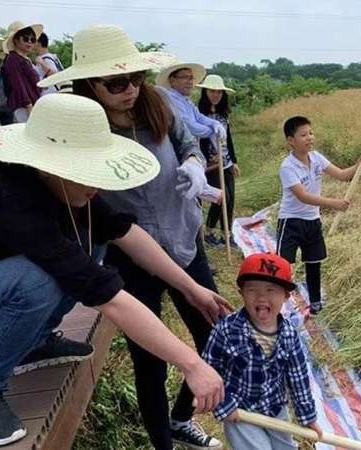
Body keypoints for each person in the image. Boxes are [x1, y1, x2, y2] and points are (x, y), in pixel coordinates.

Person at [0, 94, 230, 448]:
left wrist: (191, 288)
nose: (96, 182)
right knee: (37, 278)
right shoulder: (9, 197)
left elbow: (123, 231)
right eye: (88, 169)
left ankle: (33, 342)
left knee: (92, 240)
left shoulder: (57, 178)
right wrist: (191, 364)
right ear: (52, 161)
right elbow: (107, 298)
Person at [40, 25, 225, 450]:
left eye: (137, 78)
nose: (131, 91)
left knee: (215, 339)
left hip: (182, 238)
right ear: (88, 85)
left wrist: (195, 166)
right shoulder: (81, 125)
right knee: (150, 362)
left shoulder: (157, 104)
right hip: (131, 254)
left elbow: (187, 144)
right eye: (117, 83)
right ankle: (162, 442)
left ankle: (181, 420)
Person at [203, 252, 323, 449]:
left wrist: (308, 418)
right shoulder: (226, 330)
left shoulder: (289, 336)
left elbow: (298, 379)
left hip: (275, 408)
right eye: (252, 290)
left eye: (271, 290)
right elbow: (208, 371)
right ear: (241, 292)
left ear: (286, 296)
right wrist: (223, 405)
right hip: (240, 411)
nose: (261, 297)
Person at [277, 116, 361, 316]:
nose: (310, 138)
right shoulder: (287, 167)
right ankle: (278, 301)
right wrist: (334, 204)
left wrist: (358, 165)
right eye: (303, 135)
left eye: (310, 133)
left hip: (312, 221)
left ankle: (315, 301)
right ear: (291, 140)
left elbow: (342, 174)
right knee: (284, 263)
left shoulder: (316, 157)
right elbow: (303, 196)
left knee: (313, 262)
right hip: (291, 220)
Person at [155, 62, 228, 245]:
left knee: (194, 203)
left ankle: (196, 244)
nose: (190, 82)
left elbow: (199, 118)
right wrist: (211, 130)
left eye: (191, 78)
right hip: (180, 158)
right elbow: (190, 126)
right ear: (172, 80)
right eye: (185, 78)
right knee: (186, 204)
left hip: (192, 156)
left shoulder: (185, 100)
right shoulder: (171, 101)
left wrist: (213, 124)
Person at [198, 74, 239, 248]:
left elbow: (227, 137)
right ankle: (208, 232)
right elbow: (197, 140)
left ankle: (226, 234)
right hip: (212, 165)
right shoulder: (199, 113)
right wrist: (207, 158)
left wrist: (234, 160)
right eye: (212, 91)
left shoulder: (223, 114)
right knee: (221, 198)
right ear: (206, 92)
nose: (216, 95)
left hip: (226, 162)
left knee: (230, 199)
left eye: (219, 92)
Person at [2, 21, 43, 123]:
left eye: (32, 39)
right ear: (16, 40)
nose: (29, 42)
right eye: (25, 39)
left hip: (33, 103)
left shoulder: (25, 59)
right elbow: (18, 84)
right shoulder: (13, 59)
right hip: (23, 107)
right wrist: (28, 106)